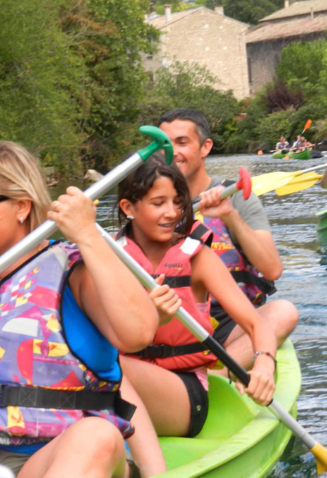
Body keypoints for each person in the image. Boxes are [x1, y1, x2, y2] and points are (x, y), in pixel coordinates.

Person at [0, 142, 160, 477]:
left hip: (58, 456)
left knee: (97, 437)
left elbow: (139, 334)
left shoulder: (74, 270)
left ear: (20, 205)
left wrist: (88, 235)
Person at [115, 153, 276, 448]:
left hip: (184, 394)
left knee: (108, 367)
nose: (172, 213)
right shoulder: (109, 258)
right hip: (126, 382)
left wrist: (264, 363)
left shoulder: (198, 258)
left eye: (178, 202)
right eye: (158, 203)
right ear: (128, 208)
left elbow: (255, 324)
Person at [156, 109, 298, 373]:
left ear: (205, 147)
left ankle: (218, 377)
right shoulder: (150, 203)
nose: (172, 152)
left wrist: (230, 215)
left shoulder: (237, 196)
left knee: (283, 313)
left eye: (182, 142)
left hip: (229, 322)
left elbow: (272, 269)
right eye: (165, 144)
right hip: (172, 319)